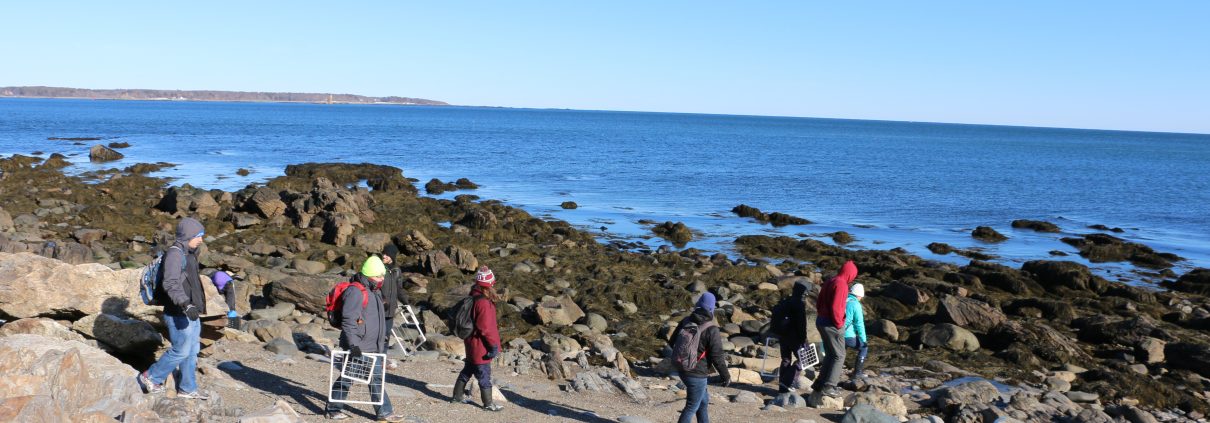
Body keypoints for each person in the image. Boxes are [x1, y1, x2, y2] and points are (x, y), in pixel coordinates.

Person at [326, 256, 406, 422]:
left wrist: (382, 340)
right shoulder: (355, 291)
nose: (382, 279)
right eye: (378, 276)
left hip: (372, 346)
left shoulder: (374, 290)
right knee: (349, 378)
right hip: (359, 346)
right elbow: (348, 321)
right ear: (369, 275)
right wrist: (353, 345)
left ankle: (384, 413)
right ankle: (333, 409)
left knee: (375, 378)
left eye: (382, 276)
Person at [137, 217, 209, 399]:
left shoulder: (190, 253)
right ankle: (151, 377)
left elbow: (192, 282)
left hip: (192, 311)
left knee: (192, 351)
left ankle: (187, 388)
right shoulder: (175, 254)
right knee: (181, 350)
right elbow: (170, 283)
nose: (201, 239)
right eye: (198, 235)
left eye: (201, 235)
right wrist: (185, 303)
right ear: (187, 236)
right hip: (178, 311)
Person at [669, 292, 729, 423]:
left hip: (681, 368)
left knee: (703, 402)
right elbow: (717, 356)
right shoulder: (712, 329)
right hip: (697, 374)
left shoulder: (685, 321)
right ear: (712, 309)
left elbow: (671, 342)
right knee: (691, 407)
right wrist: (726, 376)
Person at [451, 266, 503, 412]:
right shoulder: (484, 303)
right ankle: (488, 404)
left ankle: (457, 396)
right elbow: (486, 329)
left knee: (468, 369)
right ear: (490, 285)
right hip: (481, 345)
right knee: (484, 374)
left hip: (471, 342)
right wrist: (493, 346)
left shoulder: (473, 297)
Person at [811, 260, 858, 397]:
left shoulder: (831, 280)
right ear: (850, 274)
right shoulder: (841, 284)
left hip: (821, 321)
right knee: (839, 355)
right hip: (832, 324)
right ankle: (830, 385)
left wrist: (821, 314)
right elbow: (836, 307)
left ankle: (819, 383)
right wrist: (839, 324)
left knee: (831, 354)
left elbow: (819, 301)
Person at [771, 279, 812, 393]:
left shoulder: (786, 300)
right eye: (807, 292)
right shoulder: (799, 304)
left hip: (782, 335)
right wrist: (804, 339)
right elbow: (801, 324)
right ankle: (787, 382)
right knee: (804, 359)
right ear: (804, 292)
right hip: (794, 337)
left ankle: (782, 386)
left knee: (786, 359)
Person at [378, 244, 410, 367]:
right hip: (379, 308)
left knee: (386, 336)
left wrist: (406, 303)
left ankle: (382, 360)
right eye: (383, 253)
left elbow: (399, 290)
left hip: (390, 310)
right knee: (377, 335)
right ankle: (373, 360)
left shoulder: (397, 270)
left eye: (386, 254)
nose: (384, 255)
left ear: (392, 256)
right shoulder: (379, 268)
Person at [844, 283, 868, 383]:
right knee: (863, 348)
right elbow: (859, 324)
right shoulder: (856, 304)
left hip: (837, 331)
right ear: (859, 295)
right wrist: (864, 339)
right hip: (847, 334)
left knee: (841, 352)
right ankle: (857, 373)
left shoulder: (844, 299)